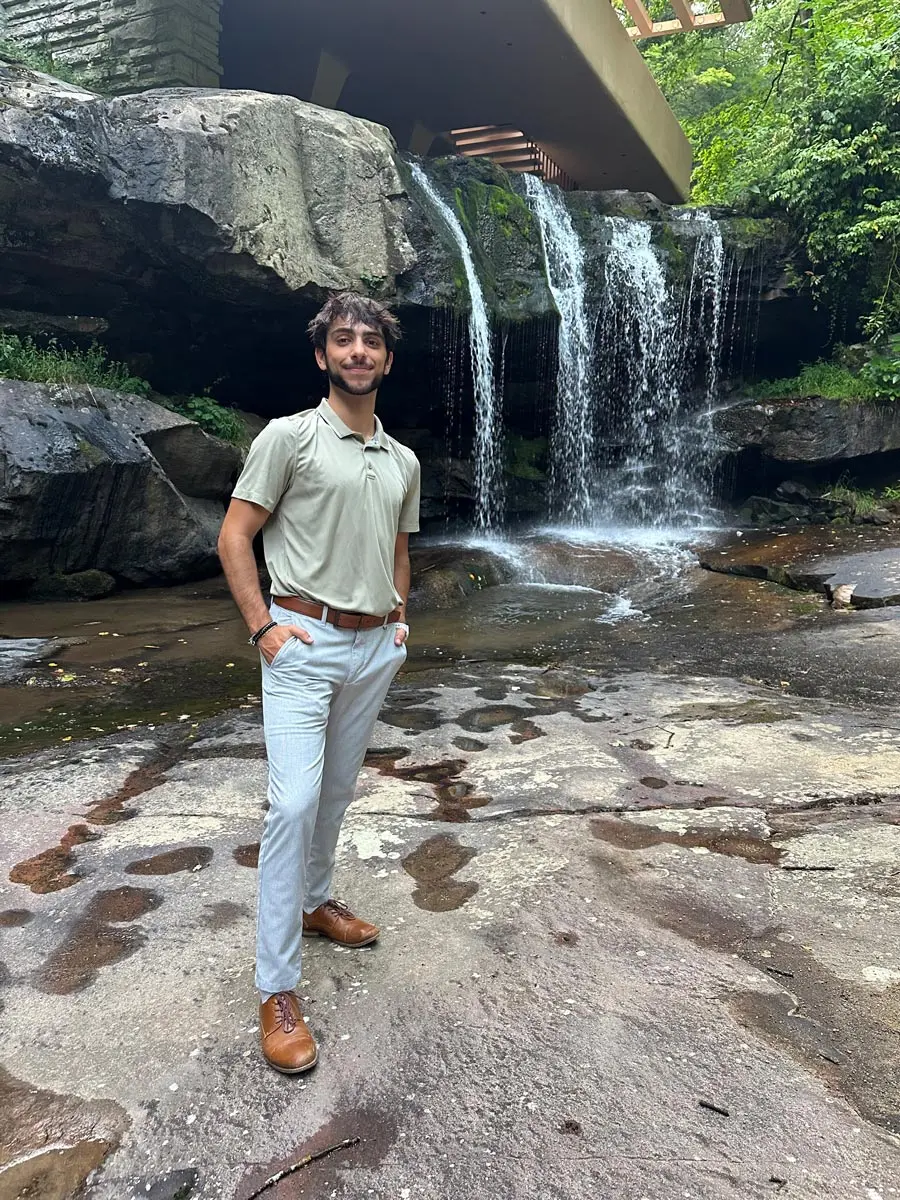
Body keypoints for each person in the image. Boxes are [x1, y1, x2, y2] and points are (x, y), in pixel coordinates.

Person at [217, 292, 420, 1073]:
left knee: (336, 792)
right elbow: (235, 534)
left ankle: (314, 901)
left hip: (375, 647)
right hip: (302, 640)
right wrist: (264, 628)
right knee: (293, 803)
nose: (359, 351)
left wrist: (399, 617)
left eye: (371, 341)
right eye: (345, 340)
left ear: (386, 359)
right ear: (322, 356)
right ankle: (276, 988)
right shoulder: (289, 438)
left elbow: (400, 548)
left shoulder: (402, 460)